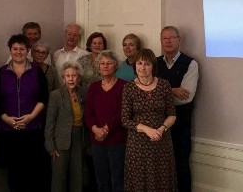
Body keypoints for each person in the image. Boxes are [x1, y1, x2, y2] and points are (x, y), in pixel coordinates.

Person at [0, 34, 50, 192]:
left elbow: (44, 97)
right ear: (10, 50)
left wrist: (31, 117)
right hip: (9, 131)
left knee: (33, 174)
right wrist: (7, 119)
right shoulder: (1, 72)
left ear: (28, 50)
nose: (18, 52)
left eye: (22, 49)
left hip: (32, 130)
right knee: (14, 175)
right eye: (15, 49)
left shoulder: (37, 72)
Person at [121, 48, 177, 192]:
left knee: (162, 180)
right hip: (138, 146)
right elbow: (125, 120)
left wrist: (160, 129)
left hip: (161, 142)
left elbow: (172, 114)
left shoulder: (164, 85)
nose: (142, 67)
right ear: (135, 66)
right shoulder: (129, 88)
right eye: (139, 63)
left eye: (147, 64)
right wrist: (147, 129)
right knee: (140, 182)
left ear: (153, 66)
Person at [157, 26, 199, 192]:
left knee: (181, 166)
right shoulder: (154, 63)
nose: (167, 41)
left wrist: (159, 91)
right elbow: (147, 91)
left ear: (179, 40)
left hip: (180, 125)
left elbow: (186, 97)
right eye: (164, 38)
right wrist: (173, 90)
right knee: (160, 168)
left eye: (171, 38)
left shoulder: (191, 64)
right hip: (157, 125)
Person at [85, 50, 127, 192]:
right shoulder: (93, 87)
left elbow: (122, 113)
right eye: (102, 63)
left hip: (117, 140)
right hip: (97, 140)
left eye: (109, 63)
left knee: (117, 180)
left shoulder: (124, 86)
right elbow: (88, 113)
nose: (105, 66)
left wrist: (106, 129)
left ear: (115, 65)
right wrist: (95, 129)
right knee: (102, 181)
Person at [44, 62, 86, 192]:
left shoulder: (84, 92)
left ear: (79, 78)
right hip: (60, 140)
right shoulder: (55, 95)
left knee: (77, 174)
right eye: (68, 76)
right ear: (63, 78)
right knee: (59, 176)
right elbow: (50, 122)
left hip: (79, 138)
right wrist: (50, 145)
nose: (71, 78)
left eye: (74, 75)